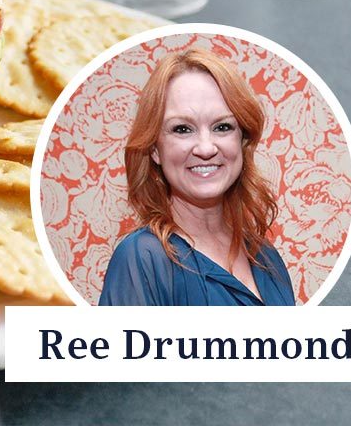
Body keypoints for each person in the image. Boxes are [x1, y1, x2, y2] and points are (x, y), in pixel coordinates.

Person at [98, 49, 295, 306]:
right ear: (155, 149)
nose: (205, 148)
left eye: (222, 127)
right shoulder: (142, 259)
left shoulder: (266, 256)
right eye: (182, 129)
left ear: (242, 140)